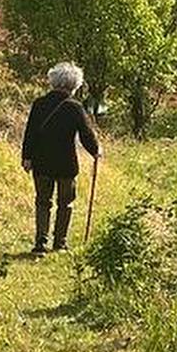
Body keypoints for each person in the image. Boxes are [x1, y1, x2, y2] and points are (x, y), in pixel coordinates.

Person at [21, 61, 101, 255]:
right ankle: (60, 243)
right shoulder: (75, 107)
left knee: (42, 201)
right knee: (65, 203)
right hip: (66, 164)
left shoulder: (39, 104)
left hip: (42, 161)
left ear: (53, 81)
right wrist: (96, 151)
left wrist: (27, 157)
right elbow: (86, 135)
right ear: (75, 84)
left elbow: (30, 132)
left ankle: (40, 243)